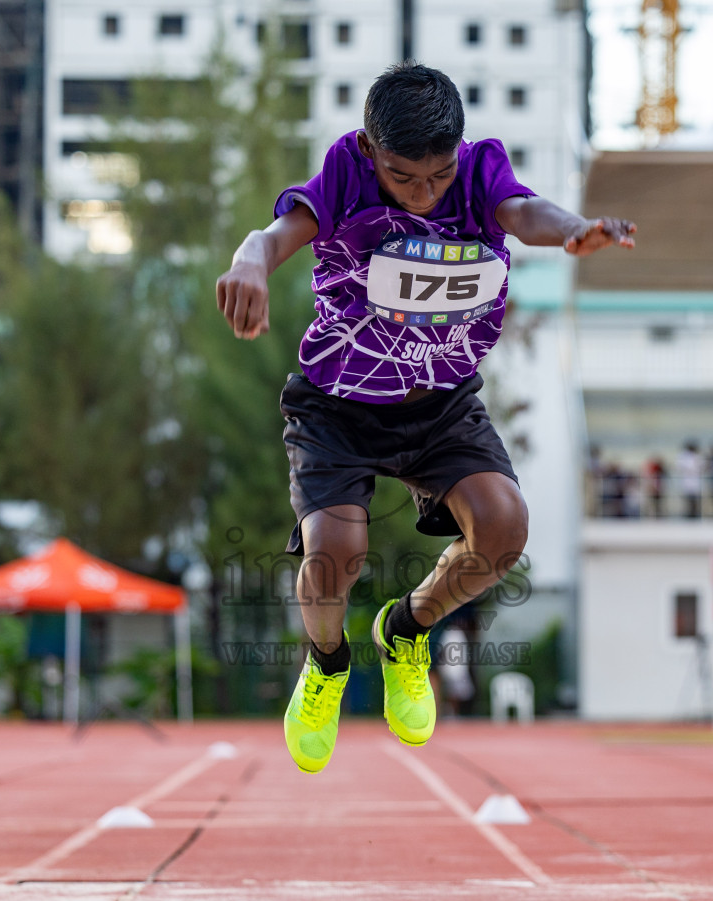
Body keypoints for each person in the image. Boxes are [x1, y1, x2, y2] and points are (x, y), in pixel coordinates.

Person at [214, 62, 634, 773]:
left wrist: (574, 231)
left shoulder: (478, 175)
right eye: (405, 178)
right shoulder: (344, 176)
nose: (423, 194)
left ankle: (406, 630)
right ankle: (326, 663)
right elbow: (271, 234)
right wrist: (249, 264)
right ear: (373, 150)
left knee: (504, 529)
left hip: (438, 402)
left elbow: (527, 215)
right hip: (338, 408)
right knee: (334, 556)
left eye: (437, 178)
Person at [678, 440, 703, 519]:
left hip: (695, 480)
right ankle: (689, 514)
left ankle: (696, 514)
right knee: (688, 499)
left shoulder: (697, 456)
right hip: (687, 480)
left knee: (696, 499)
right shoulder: (683, 456)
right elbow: (680, 466)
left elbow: (701, 466)